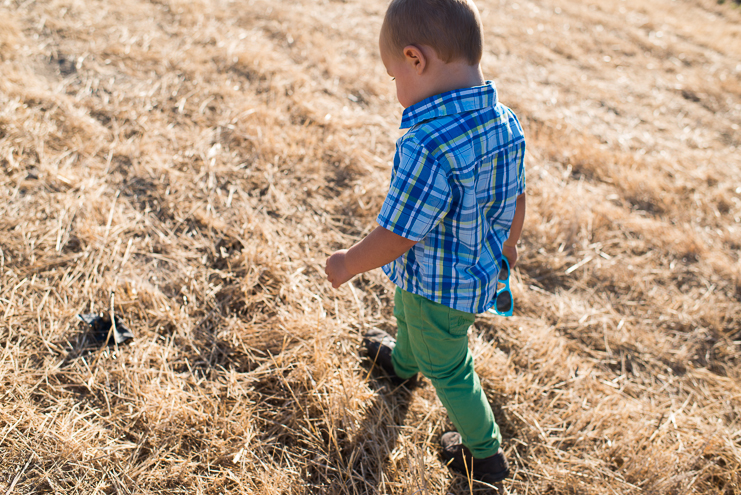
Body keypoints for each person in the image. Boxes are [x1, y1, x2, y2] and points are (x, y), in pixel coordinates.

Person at [325, 0, 526, 484]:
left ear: (415, 59)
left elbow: (398, 233)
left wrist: (349, 262)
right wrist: (509, 246)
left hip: (443, 288)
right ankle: (402, 362)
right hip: (463, 271)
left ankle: (485, 454)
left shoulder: (427, 142)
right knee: (408, 313)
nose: (397, 90)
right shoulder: (504, 120)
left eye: (395, 77)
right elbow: (517, 196)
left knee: (451, 368)